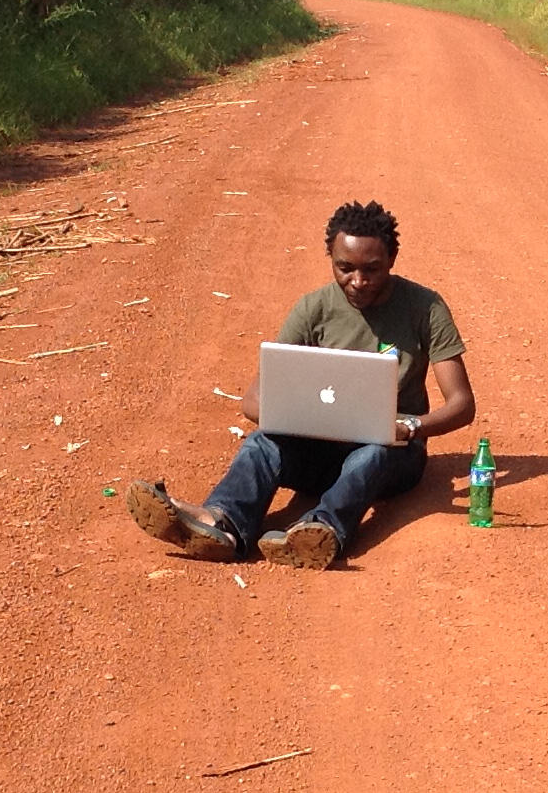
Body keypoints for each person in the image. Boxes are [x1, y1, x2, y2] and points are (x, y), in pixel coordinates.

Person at [127, 200, 475, 570]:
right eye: (345, 268)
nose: (358, 281)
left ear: (392, 258)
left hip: (393, 454)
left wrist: (409, 428)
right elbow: (253, 400)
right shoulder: (313, 310)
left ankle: (320, 531)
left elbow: (462, 404)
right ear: (330, 257)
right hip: (317, 451)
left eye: (372, 269)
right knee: (263, 442)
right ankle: (225, 525)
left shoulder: (424, 307)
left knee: (372, 453)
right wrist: (292, 419)